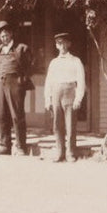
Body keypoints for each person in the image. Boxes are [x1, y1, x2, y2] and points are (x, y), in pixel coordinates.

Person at [0, 20, 33, 156]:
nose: (4, 38)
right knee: (2, 115)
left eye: (6, 35)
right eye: (2, 36)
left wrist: (22, 79)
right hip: (1, 84)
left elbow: (31, 64)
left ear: (11, 34)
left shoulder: (21, 48)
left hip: (15, 84)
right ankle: (4, 146)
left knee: (17, 115)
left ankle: (20, 146)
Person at [44, 31, 86, 163]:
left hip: (70, 92)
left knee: (70, 124)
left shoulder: (75, 61)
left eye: (64, 43)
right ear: (56, 45)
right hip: (56, 92)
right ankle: (60, 152)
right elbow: (48, 81)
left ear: (69, 44)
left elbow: (81, 81)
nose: (61, 46)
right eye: (59, 43)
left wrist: (78, 98)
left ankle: (70, 152)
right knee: (57, 124)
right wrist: (47, 98)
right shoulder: (54, 62)